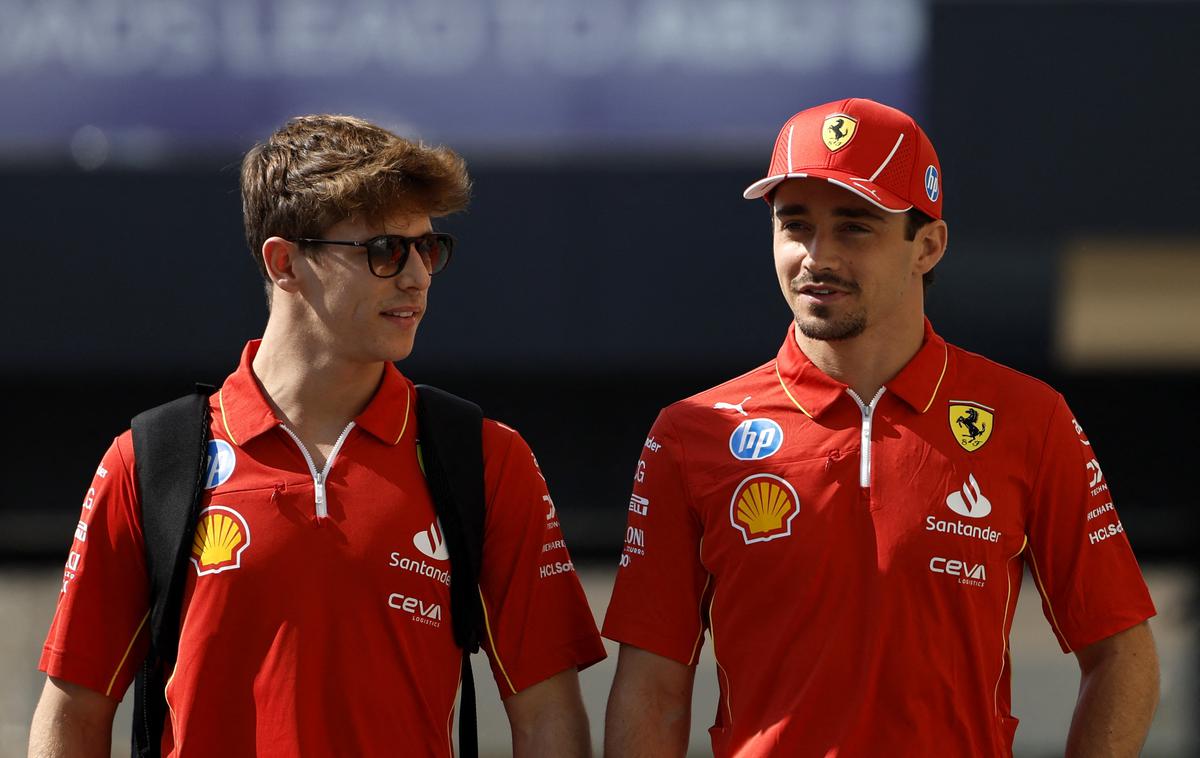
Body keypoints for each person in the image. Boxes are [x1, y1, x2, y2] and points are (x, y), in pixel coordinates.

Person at [29, 114, 606, 757]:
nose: (417, 276)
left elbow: (547, 715)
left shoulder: (486, 457)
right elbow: (72, 713)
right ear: (285, 263)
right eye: (386, 250)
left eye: (429, 248)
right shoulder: (150, 460)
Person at [602, 98, 1159, 757]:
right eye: (794, 224)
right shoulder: (689, 434)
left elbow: (1123, 654)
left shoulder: (1030, 417)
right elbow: (652, 686)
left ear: (927, 246)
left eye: (854, 227)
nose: (816, 254)